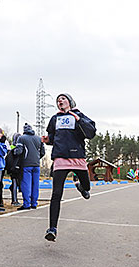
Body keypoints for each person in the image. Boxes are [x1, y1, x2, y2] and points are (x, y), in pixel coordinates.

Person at [42, 93, 96, 241]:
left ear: (70, 102)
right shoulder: (55, 119)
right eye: (58, 100)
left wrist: (78, 119)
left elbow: (91, 132)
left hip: (77, 157)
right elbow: (53, 137)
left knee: (87, 187)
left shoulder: (79, 115)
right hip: (60, 158)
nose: (60, 101)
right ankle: (52, 229)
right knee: (56, 194)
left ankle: (81, 186)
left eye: (63, 99)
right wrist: (47, 140)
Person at [14, 123, 45, 210]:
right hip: (36, 164)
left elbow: (19, 151)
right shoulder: (38, 138)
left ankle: (26, 204)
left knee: (26, 184)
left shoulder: (22, 138)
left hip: (26, 164)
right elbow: (43, 152)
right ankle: (34, 203)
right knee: (35, 184)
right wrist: (37, 158)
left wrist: (14, 152)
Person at [6, 133, 22, 206]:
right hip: (14, 168)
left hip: (14, 168)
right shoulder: (15, 148)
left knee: (16, 183)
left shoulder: (12, 147)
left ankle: (14, 197)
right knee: (15, 182)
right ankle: (14, 200)